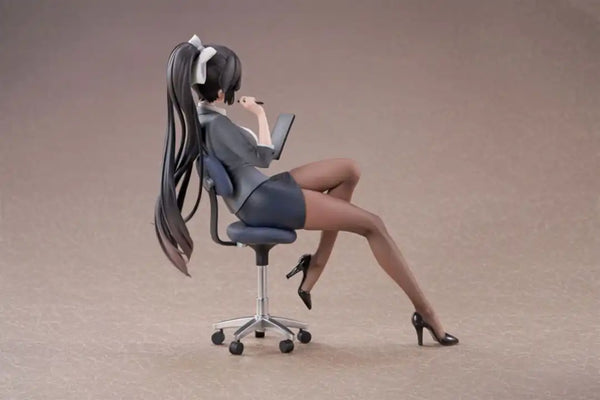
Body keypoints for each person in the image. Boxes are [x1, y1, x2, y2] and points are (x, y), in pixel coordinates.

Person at [154, 35, 459, 346]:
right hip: (262, 202)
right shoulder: (218, 126)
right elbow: (264, 157)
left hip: (261, 190)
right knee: (373, 225)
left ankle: (316, 264)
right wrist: (259, 114)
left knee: (348, 170)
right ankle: (425, 312)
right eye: (233, 86)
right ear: (221, 92)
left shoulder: (204, 119)